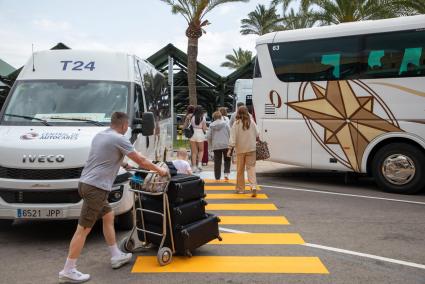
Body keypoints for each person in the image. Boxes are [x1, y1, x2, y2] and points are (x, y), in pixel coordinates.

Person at [59, 112, 167, 283]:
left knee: (108, 216)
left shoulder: (101, 135)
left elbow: (104, 156)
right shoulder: (119, 138)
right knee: (83, 229)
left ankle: (116, 255)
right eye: (126, 127)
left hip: (85, 183)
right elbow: (141, 161)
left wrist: (123, 164)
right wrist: (160, 170)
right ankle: (68, 269)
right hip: (96, 188)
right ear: (124, 126)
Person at [229, 106, 259, 197]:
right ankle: (253, 186)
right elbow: (257, 133)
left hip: (240, 149)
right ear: (247, 112)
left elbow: (232, 138)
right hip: (251, 149)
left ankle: (241, 189)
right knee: (251, 168)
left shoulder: (236, 123)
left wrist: (230, 148)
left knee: (240, 170)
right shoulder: (251, 122)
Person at [206, 111, 231, 181]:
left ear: (214, 118)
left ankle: (217, 177)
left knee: (217, 161)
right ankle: (226, 173)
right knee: (227, 159)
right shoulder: (226, 124)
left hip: (216, 145)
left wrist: (210, 145)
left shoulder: (211, 126)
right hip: (226, 144)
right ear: (221, 117)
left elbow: (208, 136)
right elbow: (230, 133)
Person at [190, 105, 207, 173]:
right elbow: (204, 128)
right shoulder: (203, 117)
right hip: (200, 133)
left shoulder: (192, 117)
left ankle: (194, 167)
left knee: (194, 152)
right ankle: (199, 164)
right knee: (201, 150)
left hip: (193, 133)